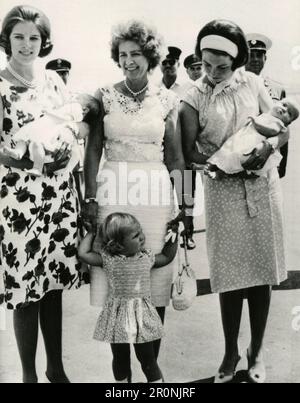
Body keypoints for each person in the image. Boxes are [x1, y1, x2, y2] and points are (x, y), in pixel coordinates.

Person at [180, 19, 289, 383]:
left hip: (262, 185)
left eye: (221, 67)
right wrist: (219, 163)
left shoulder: (254, 83)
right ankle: (229, 352)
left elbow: (281, 127)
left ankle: (255, 352)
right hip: (223, 192)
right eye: (206, 64)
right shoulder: (192, 96)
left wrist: (267, 147)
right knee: (228, 278)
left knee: (260, 274)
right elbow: (187, 153)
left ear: (238, 60)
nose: (212, 73)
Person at [83, 20, 187, 368]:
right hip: (113, 192)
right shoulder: (104, 95)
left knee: (154, 281)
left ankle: (150, 369)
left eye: (137, 54)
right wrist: (89, 197)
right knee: (115, 281)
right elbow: (93, 149)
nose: (129, 61)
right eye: (123, 54)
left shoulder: (168, 99)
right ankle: (122, 372)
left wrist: (185, 205)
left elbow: (175, 158)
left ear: (151, 56)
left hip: (156, 196)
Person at [0, 5, 88, 383]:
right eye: (18, 36)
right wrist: (27, 163)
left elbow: (77, 123)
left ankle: (56, 368)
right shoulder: (0, 84)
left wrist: (69, 142)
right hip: (19, 199)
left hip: (57, 196)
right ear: (7, 40)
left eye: (33, 37)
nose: (26, 44)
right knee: (25, 289)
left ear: (44, 42)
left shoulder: (54, 82)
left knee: (52, 284)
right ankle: (28, 375)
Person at [78, 213, 178, 383]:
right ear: (117, 244)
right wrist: (91, 232)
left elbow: (167, 257)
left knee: (147, 359)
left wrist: (173, 237)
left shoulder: (146, 257)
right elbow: (84, 253)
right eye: (136, 235)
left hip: (142, 316)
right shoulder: (108, 259)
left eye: (140, 232)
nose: (142, 237)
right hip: (117, 317)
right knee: (119, 358)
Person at [2, 93, 98, 176]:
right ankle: (19, 153)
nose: (73, 97)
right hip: (31, 157)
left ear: (85, 109)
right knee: (25, 140)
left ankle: (34, 165)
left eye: (77, 98)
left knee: (32, 142)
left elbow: (65, 120)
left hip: (46, 139)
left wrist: (50, 113)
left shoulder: (76, 108)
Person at [206, 98, 299, 178]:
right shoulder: (267, 115)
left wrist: (255, 122)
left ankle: (221, 172)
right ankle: (213, 167)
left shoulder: (277, 123)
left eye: (289, 113)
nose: (284, 109)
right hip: (243, 139)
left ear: (289, 122)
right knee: (228, 154)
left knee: (238, 160)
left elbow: (272, 131)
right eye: (284, 105)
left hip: (253, 144)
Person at [245, 33, 289, 179]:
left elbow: (284, 127)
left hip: (270, 160)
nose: (256, 59)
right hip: (244, 159)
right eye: (252, 55)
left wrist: (281, 166)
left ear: (265, 58)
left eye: (260, 55)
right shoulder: (235, 87)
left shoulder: (277, 89)